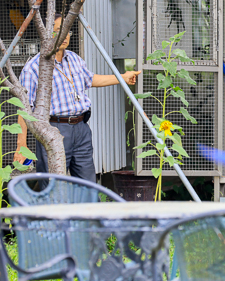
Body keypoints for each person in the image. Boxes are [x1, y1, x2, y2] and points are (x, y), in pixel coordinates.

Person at [14, 14, 140, 184]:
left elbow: (91, 79)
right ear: (46, 33)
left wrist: (122, 77)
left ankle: (85, 210)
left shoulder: (74, 59)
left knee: (88, 184)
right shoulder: (34, 67)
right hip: (54, 128)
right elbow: (24, 108)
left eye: (67, 31)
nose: (65, 35)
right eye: (59, 31)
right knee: (53, 184)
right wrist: (21, 144)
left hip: (81, 129)